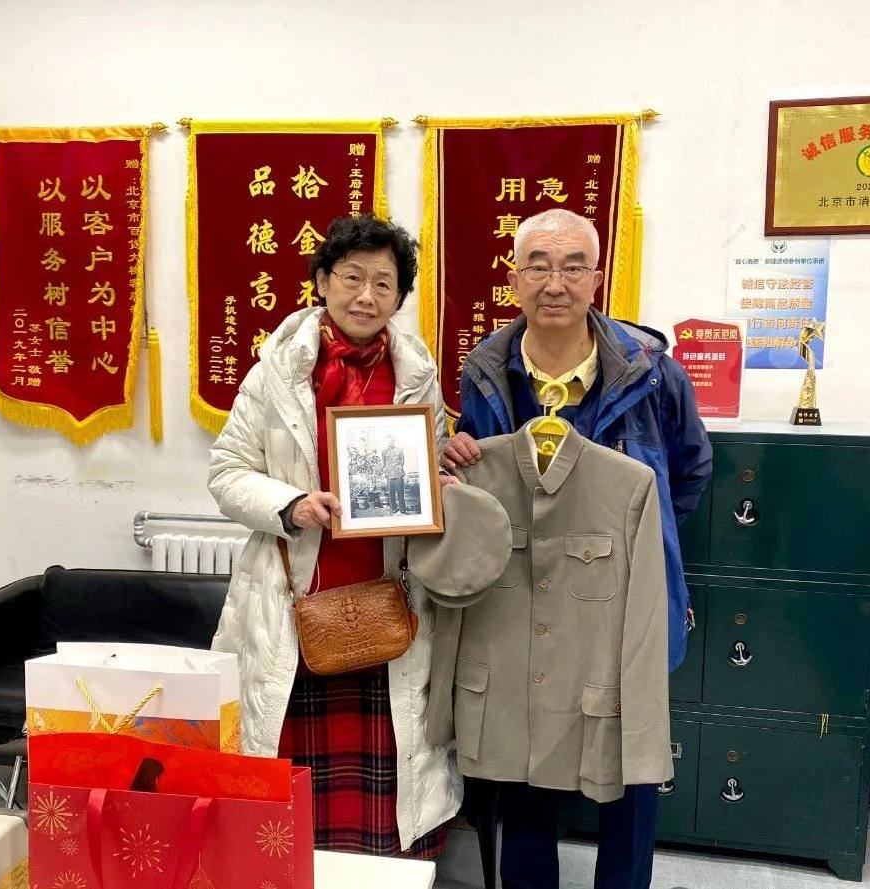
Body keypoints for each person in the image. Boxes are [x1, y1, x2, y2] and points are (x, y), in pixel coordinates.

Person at [441, 208, 713, 888]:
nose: (554, 283)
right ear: (513, 279)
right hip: (521, 599)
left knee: (629, 763)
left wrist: (633, 539)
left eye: (571, 266)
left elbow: (689, 469)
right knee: (526, 765)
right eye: (537, 265)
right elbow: (479, 483)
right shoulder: (487, 372)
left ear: (596, 278)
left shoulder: (652, 372)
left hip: (617, 599)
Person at [209, 214, 460, 858]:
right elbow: (227, 472)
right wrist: (291, 504)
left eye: (384, 283)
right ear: (322, 281)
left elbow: (428, 472)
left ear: (399, 297)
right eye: (351, 277)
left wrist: (442, 476)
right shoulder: (275, 374)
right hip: (295, 607)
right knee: (289, 786)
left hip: (390, 607)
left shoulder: (418, 376)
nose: (365, 296)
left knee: (388, 782)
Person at [383, 434, 406, 513]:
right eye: (389, 441)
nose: (390, 442)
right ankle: (393, 509)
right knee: (391, 494)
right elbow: (384, 464)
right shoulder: (384, 452)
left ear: (394, 441)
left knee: (400, 493)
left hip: (398, 474)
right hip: (389, 475)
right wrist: (386, 473)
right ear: (387, 442)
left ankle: (402, 509)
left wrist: (398, 469)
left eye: (392, 441)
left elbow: (402, 461)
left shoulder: (399, 450)